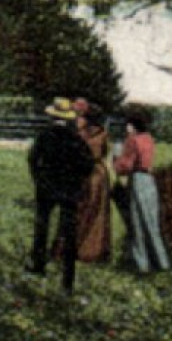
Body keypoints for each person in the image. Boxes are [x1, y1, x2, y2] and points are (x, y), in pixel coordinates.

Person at [27, 97, 97, 292]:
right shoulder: (76, 139)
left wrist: (38, 180)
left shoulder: (44, 136)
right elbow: (88, 164)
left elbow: (32, 160)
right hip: (69, 190)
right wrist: (77, 182)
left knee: (42, 227)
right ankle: (68, 279)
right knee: (69, 233)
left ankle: (38, 265)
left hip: (46, 188)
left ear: (52, 116)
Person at [114, 108, 171, 273]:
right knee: (152, 222)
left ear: (132, 125)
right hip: (149, 180)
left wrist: (117, 157)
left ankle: (142, 264)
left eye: (128, 125)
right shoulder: (149, 139)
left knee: (137, 222)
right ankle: (161, 261)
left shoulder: (132, 140)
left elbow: (125, 166)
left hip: (138, 179)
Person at [72, 105, 113, 263]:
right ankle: (95, 250)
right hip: (99, 173)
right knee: (99, 212)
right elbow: (105, 153)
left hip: (83, 172)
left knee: (81, 209)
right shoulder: (103, 134)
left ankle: (77, 247)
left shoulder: (80, 134)